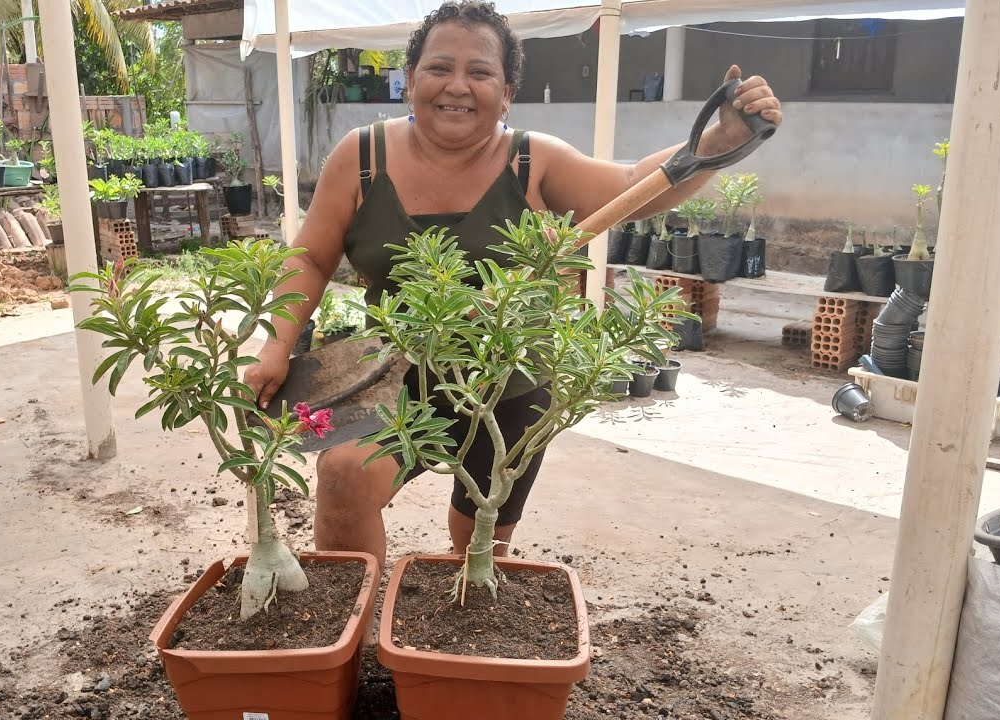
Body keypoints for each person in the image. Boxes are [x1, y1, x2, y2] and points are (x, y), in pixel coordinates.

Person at [244, 0, 783, 570]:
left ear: (506, 92)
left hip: (510, 389)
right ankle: (354, 634)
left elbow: (629, 185)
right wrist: (276, 344)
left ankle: (454, 637)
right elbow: (309, 258)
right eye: (438, 68)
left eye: (480, 72)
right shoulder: (362, 157)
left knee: (476, 548)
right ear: (410, 80)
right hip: (393, 377)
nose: (457, 86)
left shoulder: (533, 161)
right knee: (344, 475)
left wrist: (716, 144)